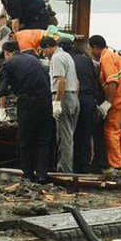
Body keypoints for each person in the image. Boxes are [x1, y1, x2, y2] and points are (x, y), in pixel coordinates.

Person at [0, 40, 53, 183]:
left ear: (6, 53)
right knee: (43, 139)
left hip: (27, 102)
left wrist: (2, 110)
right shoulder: (34, 60)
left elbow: (2, 90)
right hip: (46, 102)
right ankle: (42, 175)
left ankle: (28, 174)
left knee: (25, 138)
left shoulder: (8, 63)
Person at [88, 35, 121, 176]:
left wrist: (107, 103)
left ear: (96, 47)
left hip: (120, 99)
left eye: (91, 49)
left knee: (111, 130)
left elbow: (112, 81)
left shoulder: (106, 58)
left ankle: (117, 166)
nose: (91, 53)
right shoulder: (113, 56)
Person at [39, 36, 79, 173]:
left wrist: (57, 102)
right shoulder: (67, 56)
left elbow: (61, 81)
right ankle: (67, 167)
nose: (44, 53)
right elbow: (77, 81)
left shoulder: (56, 58)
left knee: (64, 138)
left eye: (44, 50)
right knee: (69, 136)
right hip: (73, 96)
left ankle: (64, 171)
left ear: (49, 46)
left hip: (64, 97)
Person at [69, 38, 102, 173]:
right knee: (87, 133)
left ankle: (73, 164)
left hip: (75, 97)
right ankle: (84, 165)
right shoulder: (88, 61)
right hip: (89, 99)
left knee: (73, 131)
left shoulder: (68, 61)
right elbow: (95, 81)